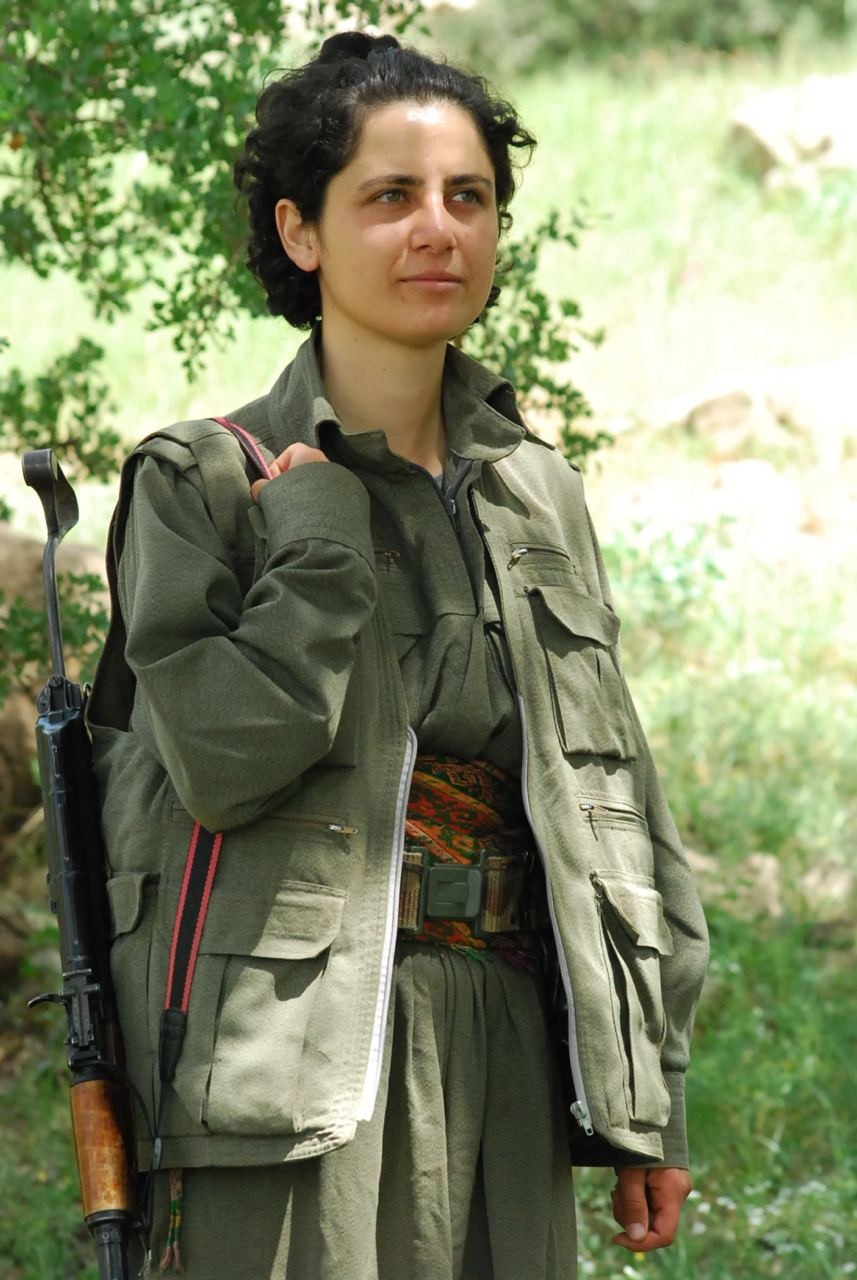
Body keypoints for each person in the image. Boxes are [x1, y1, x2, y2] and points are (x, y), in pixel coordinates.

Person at [88, 30, 709, 1280]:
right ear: (301, 231)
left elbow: (617, 799)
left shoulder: (536, 489)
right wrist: (319, 538)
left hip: (512, 1046)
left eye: (466, 196)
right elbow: (225, 759)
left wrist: (647, 1091)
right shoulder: (202, 481)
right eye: (389, 197)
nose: (437, 229)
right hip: (288, 1061)